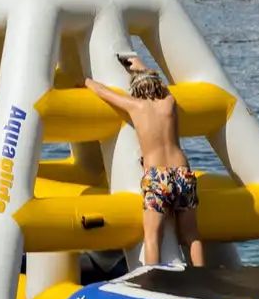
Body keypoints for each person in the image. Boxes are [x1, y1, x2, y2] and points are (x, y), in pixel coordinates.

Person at [85, 51, 202, 268]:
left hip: (158, 176)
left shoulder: (135, 106)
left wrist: (86, 81)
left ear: (136, 90)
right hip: (183, 173)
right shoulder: (169, 102)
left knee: (153, 236)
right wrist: (139, 65)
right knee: (191, 236)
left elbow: (103, 92)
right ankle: (202, 276)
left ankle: (154, 278)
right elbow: (161, 84)